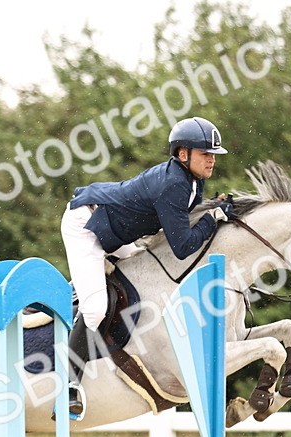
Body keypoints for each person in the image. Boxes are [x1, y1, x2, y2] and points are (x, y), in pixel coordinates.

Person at [60, 116, 236, 420]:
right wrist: (213, 218)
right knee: (95, 309)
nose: (211, 161)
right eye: (205, 154)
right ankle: (69, 386)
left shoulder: (192, 180)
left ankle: (88, 287)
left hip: (115, 231)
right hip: (87, 224)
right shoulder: (173, 184)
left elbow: (183, 218)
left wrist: (213, 208)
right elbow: (182, 247)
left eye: (213, 155)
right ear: (183, 154)